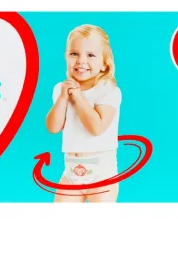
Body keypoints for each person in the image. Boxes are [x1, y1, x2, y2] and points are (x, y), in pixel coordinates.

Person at [46, 25, 122, 203]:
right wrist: (63, 98)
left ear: (104, 63)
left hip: (102, 172)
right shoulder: (61, 89)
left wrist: (79, 98)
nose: (81, 60)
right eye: (74, 54)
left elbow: (96, 128)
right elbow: (53, 127)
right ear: (66, 57)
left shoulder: (107, 90)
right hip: (71, 168)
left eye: (90, 55)